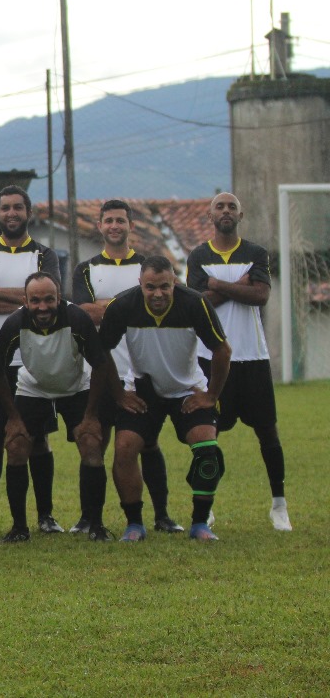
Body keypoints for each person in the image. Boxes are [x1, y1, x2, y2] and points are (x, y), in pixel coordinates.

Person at [100, 256, 232, 542]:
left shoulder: (194, 303)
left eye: (164, 286)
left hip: (187, 390)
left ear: (174, 282)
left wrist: (211, 395)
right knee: (124, 449)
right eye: (150, 287)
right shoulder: (122, 306)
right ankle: (134, 523)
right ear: (140, 285)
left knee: (207, 446)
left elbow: (222, 350)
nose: (158, 294)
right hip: (144, 389)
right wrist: (119, 393)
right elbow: (101, 351)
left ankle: (200, 524)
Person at [72, 200, 181, 534]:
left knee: (146, 443)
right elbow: (83, 312)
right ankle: (90, 518)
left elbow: (156, 304)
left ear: (130, 225)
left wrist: (107, 306)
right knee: (93, 442)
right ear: (100, 226)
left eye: (121, 220)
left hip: (140, 371)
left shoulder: (147, 265)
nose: (115, 226)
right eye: (109, 221)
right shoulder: (86, 268)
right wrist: (124, 306)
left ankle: (161, 515)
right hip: (100, 372)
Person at [0, 273, 119, 542]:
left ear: (59, 298)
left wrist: (91, 415)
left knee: (91, 442)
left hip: (75, 385)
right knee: (16, 445)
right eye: (35, 300)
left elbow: (101, 364)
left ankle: (94, 524)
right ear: (25, 301)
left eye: (49, 299)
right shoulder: (15, 323)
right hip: (33, 385)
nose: (43, 306)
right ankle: (20, 527)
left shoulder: (77, 319)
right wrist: (13, 417)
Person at [0, 185, 61, 533]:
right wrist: (26, 300)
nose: (12, 213)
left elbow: (53, 299)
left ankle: (45, 516)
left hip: (35, 362)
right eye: (5, 208)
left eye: (18, 207)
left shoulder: (45, 255)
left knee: (37, 440)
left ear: (28, 212)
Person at [187, 192, 289, 531]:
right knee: (208, 435)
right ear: (210, 214)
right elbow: (198, 305)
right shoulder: (198, 255)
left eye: (232, 206)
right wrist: (236, 284)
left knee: (268, 433)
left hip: (253, 357)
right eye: (220, 206)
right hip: (211, 358)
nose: (226, 211)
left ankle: (279, 505)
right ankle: (206, 505)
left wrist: (216, 284)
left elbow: (260, 295)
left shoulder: (256, 253)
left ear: (241, 214)